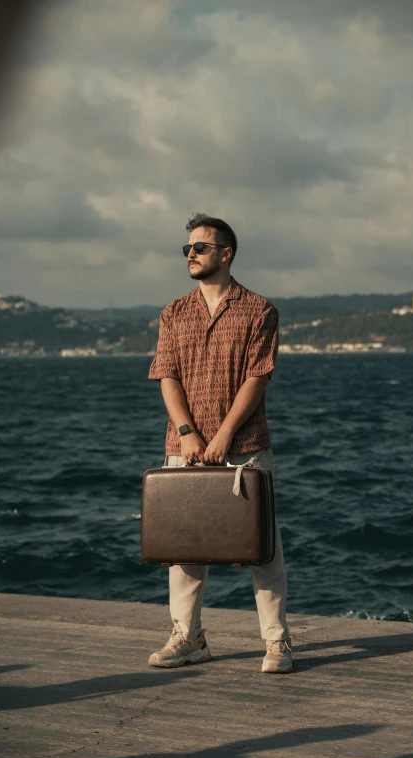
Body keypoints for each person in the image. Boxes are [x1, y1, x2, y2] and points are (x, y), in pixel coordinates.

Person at [146, 212, 292, 673]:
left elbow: (257, 377)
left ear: (225, 254)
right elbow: (166, 375)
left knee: (261, 545)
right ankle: (188, 638)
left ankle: (277, 642)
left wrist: (224, 434)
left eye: (200, 247)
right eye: (187, 248)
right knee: (184, 546)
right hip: (184, 445)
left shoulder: (259, 309)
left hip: (244, 443)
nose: (190, 254)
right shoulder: (174, 312)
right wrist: (189, 434)